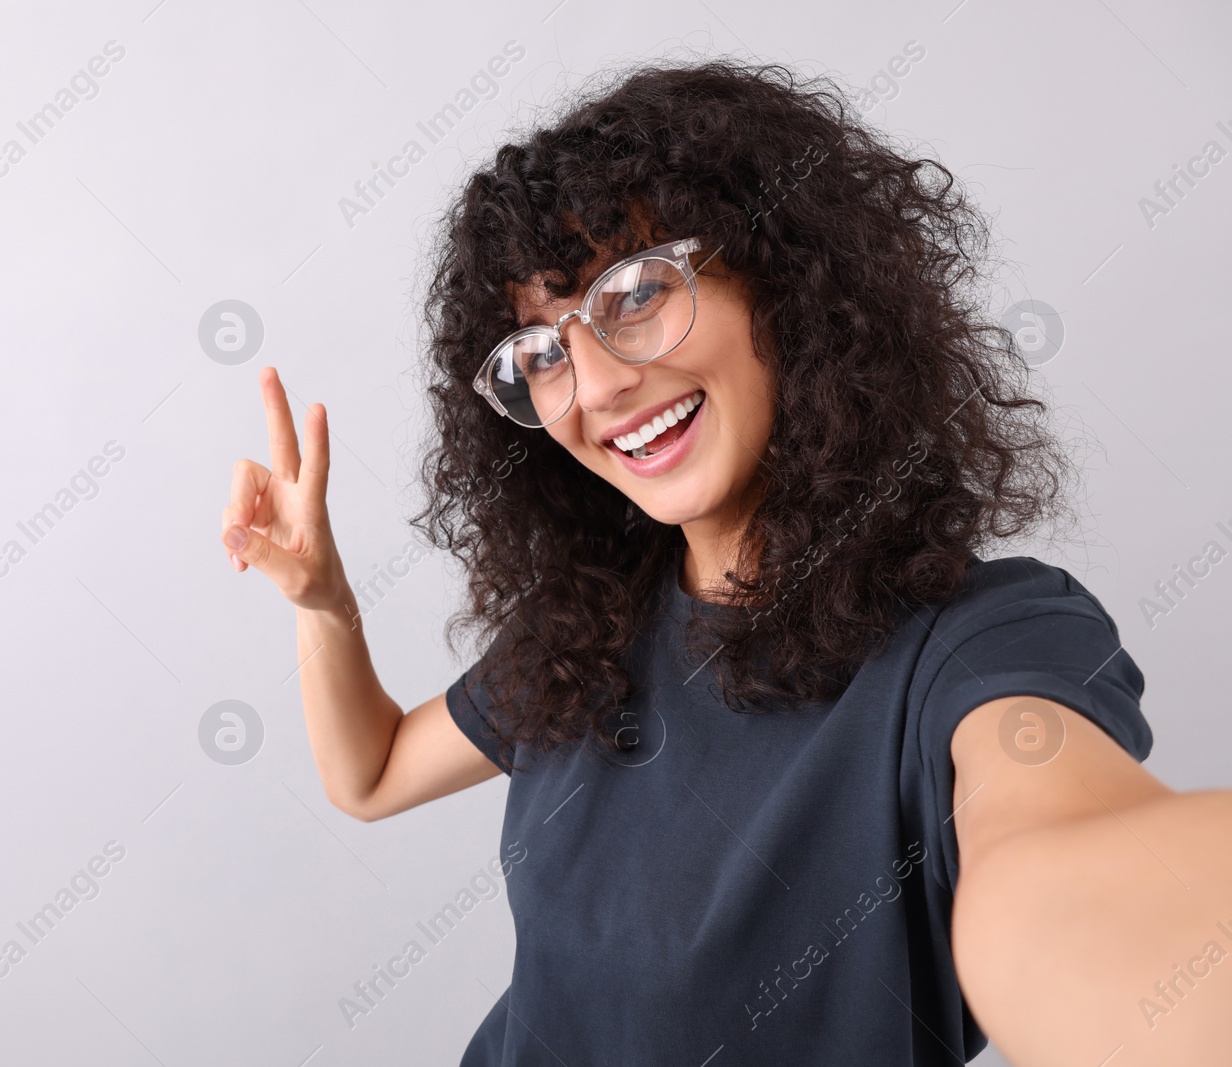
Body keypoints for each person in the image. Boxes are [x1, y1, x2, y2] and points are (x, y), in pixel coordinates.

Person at [220, 59, 1232, 1066]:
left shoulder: (973, 645)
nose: (599, 383)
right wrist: (325, 600)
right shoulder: (589, 630)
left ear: (785, 284)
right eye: (542, 353)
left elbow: (1068, 867)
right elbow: (373, 771)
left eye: (634, 294)